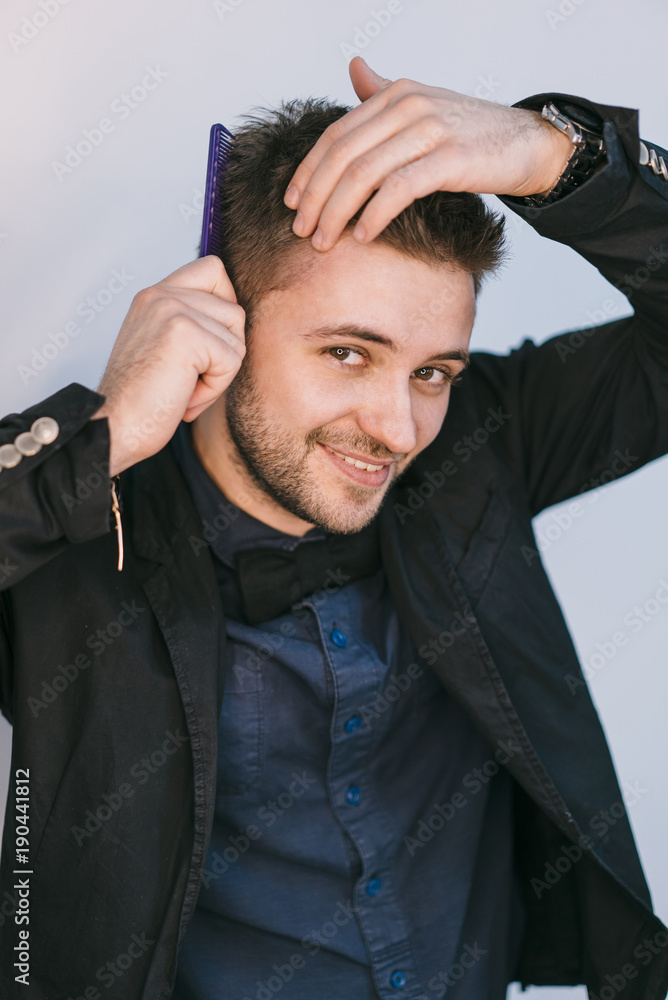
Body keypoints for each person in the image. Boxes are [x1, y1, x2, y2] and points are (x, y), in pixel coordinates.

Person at [0, 55, 667, 1000]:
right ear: (221, 321)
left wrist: (553, 153)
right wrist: (95, 440)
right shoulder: (78, 528)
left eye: (433, 371)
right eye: (349, 353)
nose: (398, 430)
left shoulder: (478, 449)